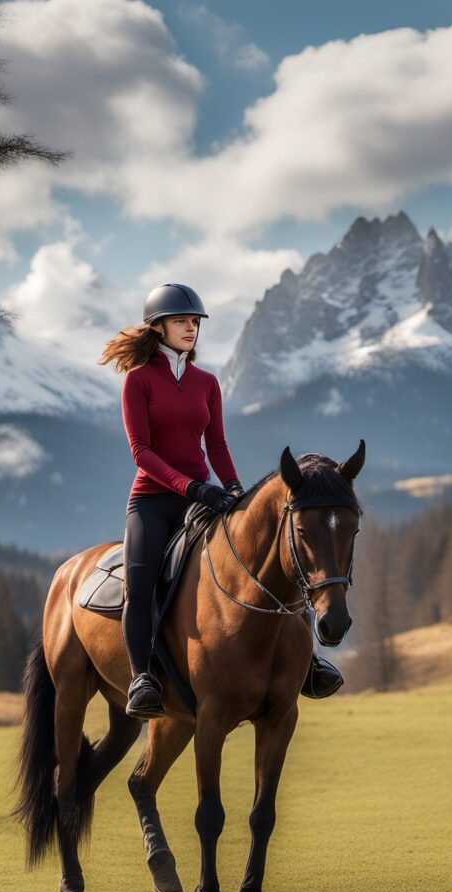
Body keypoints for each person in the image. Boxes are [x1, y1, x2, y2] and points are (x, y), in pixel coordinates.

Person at [98, 283, 344, 720]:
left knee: (277, 560)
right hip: (152, 502)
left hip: (204, 498)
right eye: (181, 321)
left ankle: (308, 665)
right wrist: (191, 486)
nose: (191, 329)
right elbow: (142, 453)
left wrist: (233, 487)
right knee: (139, 585)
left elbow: (217, 443)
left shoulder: (207, 383)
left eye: (194, 322)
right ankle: (141, 678)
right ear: (158, 328)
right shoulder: (138, 381)